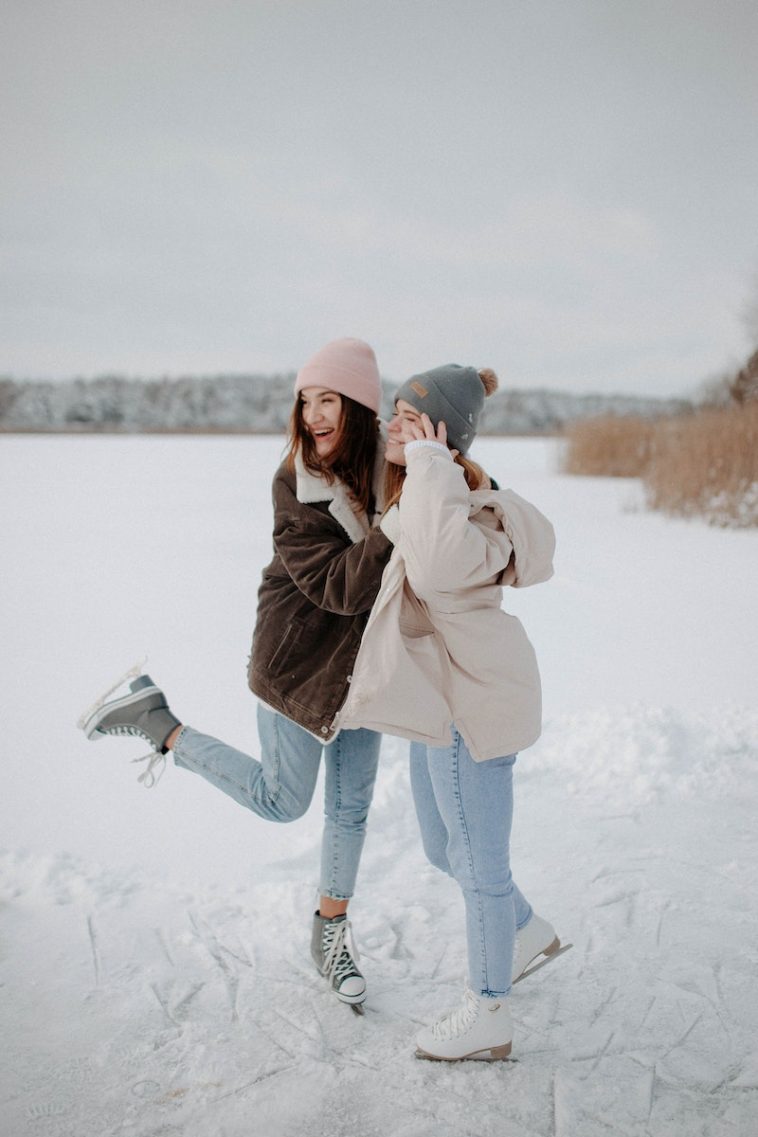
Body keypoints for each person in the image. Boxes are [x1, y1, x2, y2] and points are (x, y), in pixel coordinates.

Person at [78, 338, 394, 1012]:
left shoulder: (391, 468)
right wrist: (397, 527)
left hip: (366, 669)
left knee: (352, 806)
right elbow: (339, 585)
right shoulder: (293, 482)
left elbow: (451, 467)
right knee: (284, 801)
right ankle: (159, 724)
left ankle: (329, 934)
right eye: (306, 400)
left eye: (328, 399)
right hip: (298, 661)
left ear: (361, 407)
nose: (312, 414)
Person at [336, 363, 563, 1059]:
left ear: (446, 435)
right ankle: (522, 932)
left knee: (481, 864)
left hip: (473, 705)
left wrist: (432, 459)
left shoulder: (456, 498)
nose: (395, 427)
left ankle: (489, 1010)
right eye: (395, 413)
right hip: (441, 699)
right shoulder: (431, 491)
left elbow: (435, 569)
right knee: (444, 846)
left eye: (414, 417)